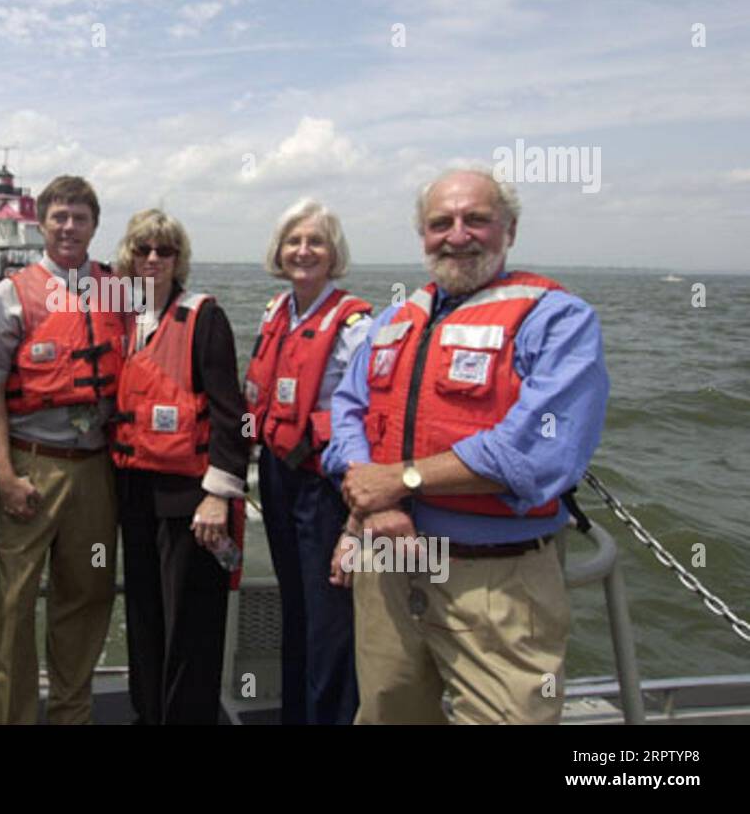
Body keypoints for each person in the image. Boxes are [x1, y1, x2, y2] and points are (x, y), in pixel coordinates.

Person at [323, 167, 609, 725]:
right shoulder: (393, 320)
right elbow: (348, 411)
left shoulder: (557, 319)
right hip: (389, 565)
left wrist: (400, 480)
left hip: (496, 583)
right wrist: (373, 500)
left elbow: (536, 452)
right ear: (423, 235)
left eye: (476, 219)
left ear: (510, 229)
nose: (457, 234)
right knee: (385, 714)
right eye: (440, 223)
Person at [0, 174, 127, 724]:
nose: (69, 227)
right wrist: (2, 472)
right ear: (40, 224)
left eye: (80, 218)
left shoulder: (117, 289)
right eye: (59, 217)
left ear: (94, 225)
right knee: (14, 603)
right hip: (31, 463)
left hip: (95, 468)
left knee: (86, 596)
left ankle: (71, 714)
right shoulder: (9, 294)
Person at [110, 209, 249, 725]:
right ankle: (149, 714)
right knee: (144, 616)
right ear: (129, 255)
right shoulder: (120, 316)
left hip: (190, 496)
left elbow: (233, 415)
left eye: (164, 251)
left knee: (190, 622)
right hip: (133, 490)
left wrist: (219, 493)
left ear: (178, 259)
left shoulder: (203, 317)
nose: (153, 259)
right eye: (143, 249)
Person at [242, 199, 372, 724]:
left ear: (334, 253)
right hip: (277, 477)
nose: (303, 251)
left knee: (329, 622)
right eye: (294, 241)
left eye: (316, 241)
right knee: (294, 608)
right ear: (279, 251)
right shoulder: (277, 311)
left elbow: (369, 413)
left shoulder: (356, 324)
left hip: (325, 487)